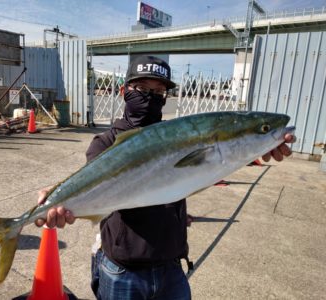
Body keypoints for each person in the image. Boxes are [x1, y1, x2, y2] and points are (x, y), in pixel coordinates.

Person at [35, 56, 296, 299]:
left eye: (159, 92)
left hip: (172, 268)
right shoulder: (105, 143)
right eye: (142, 89)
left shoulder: (179, 135)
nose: (151, 97)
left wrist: (260, 148)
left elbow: (217, 160)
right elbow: (94, 183)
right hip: (123, 272)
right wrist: (57, 198)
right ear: (124, 92)